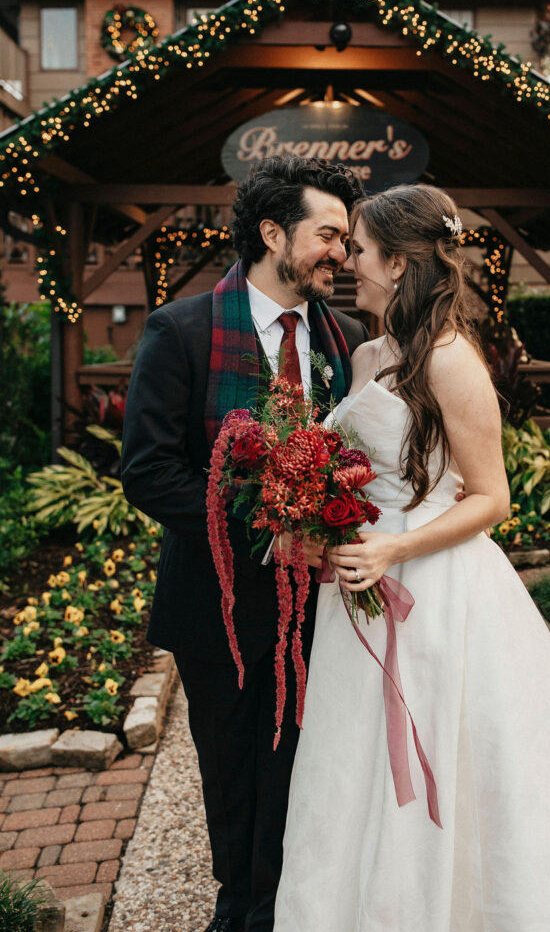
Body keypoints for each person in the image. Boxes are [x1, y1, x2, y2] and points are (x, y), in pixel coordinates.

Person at [273, 184, 550, 931]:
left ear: (398, 264)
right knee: (351, 763)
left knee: (455, 751)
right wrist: (314, 521)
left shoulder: (452, 359)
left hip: (435, 588)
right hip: (358, 586)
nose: (346, 262)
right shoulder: (366, 353)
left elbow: (490, 499)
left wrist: (394, 544)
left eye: (358, 250)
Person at [120, 156, 368, 932]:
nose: (342, 252)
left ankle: (290, 902)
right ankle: (240, 909)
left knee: (300, 763)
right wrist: (270, 532)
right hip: (217, 604)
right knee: (231, 767)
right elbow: (149, 471)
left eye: (347, 238)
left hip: (320, 607)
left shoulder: (347, 339)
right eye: (328, 234)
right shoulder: (182, 329)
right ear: (272, 233)